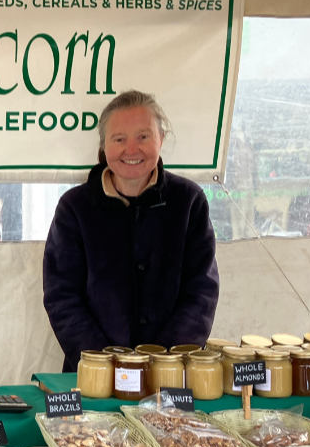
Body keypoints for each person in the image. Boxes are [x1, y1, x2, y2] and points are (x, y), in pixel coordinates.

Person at [43, 90, 219, 372]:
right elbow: (62, 296)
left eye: (143, 136)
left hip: (170, 375)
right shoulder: (74, 207)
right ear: (104, 147)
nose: (132, 149)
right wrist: (105, 364)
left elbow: (201, 293)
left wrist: (161, 361)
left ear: (161, 139)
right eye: (119, 139)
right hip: (94, 376)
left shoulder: (189, 201)